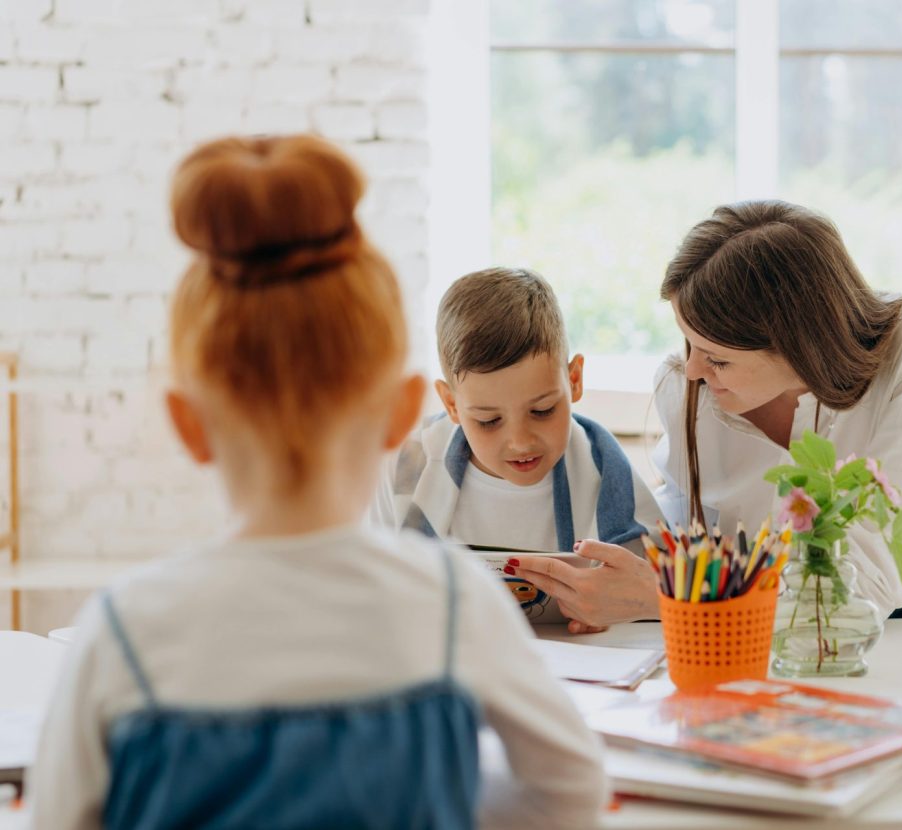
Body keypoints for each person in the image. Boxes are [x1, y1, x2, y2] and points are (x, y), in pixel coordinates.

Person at [28, 136, 607, 829]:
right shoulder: (455, 606)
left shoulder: (121, 633)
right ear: (403, 411)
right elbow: (569, 793)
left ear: (188, 424)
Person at [508, 200, 902, 624]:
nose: (692, 370)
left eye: (717, 357)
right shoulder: (685, 384)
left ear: (800, 345)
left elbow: (863, 585)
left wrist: (665, 598)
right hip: (735, 625)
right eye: (687, 341)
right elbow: (689, 527)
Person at [372, 266, 665, 627]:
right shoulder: (406, 466)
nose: (521, 441)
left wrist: (626, 606)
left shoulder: (604, 469)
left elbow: (667, 591)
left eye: (542, 411)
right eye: (488, 421)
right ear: (450, 404)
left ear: (573, 380)